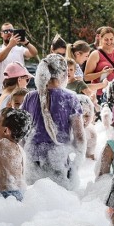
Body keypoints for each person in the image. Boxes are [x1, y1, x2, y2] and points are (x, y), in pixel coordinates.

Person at [21, 54, 85, 190]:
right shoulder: (70, 98)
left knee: (35, 201)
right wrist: (77, 162)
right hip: (59, 158)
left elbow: (21, 132)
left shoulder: (29, 97)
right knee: (60, 202)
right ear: (64, 73)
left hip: (33, 157)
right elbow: (79, 137)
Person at [0, 23, 38, 93]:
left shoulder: (20, 49)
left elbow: (34, 53)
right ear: (1, 34)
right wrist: (10, 45)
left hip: (20, 90)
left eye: (11, 31)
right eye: (6, 31)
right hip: (4, 90)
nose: (9, 33)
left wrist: (26, 43)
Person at [84, 27, 114, 101]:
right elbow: (86, 77)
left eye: (111, 39)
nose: (109, 42)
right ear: (101, 39)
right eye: (106, 39)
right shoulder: (95, 54)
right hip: (101, 95)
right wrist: (101, 73)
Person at [77, 94, 97, 160]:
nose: (83, 120)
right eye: (78, 116)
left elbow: (90, 159)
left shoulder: (91, 133)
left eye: (87, 116)